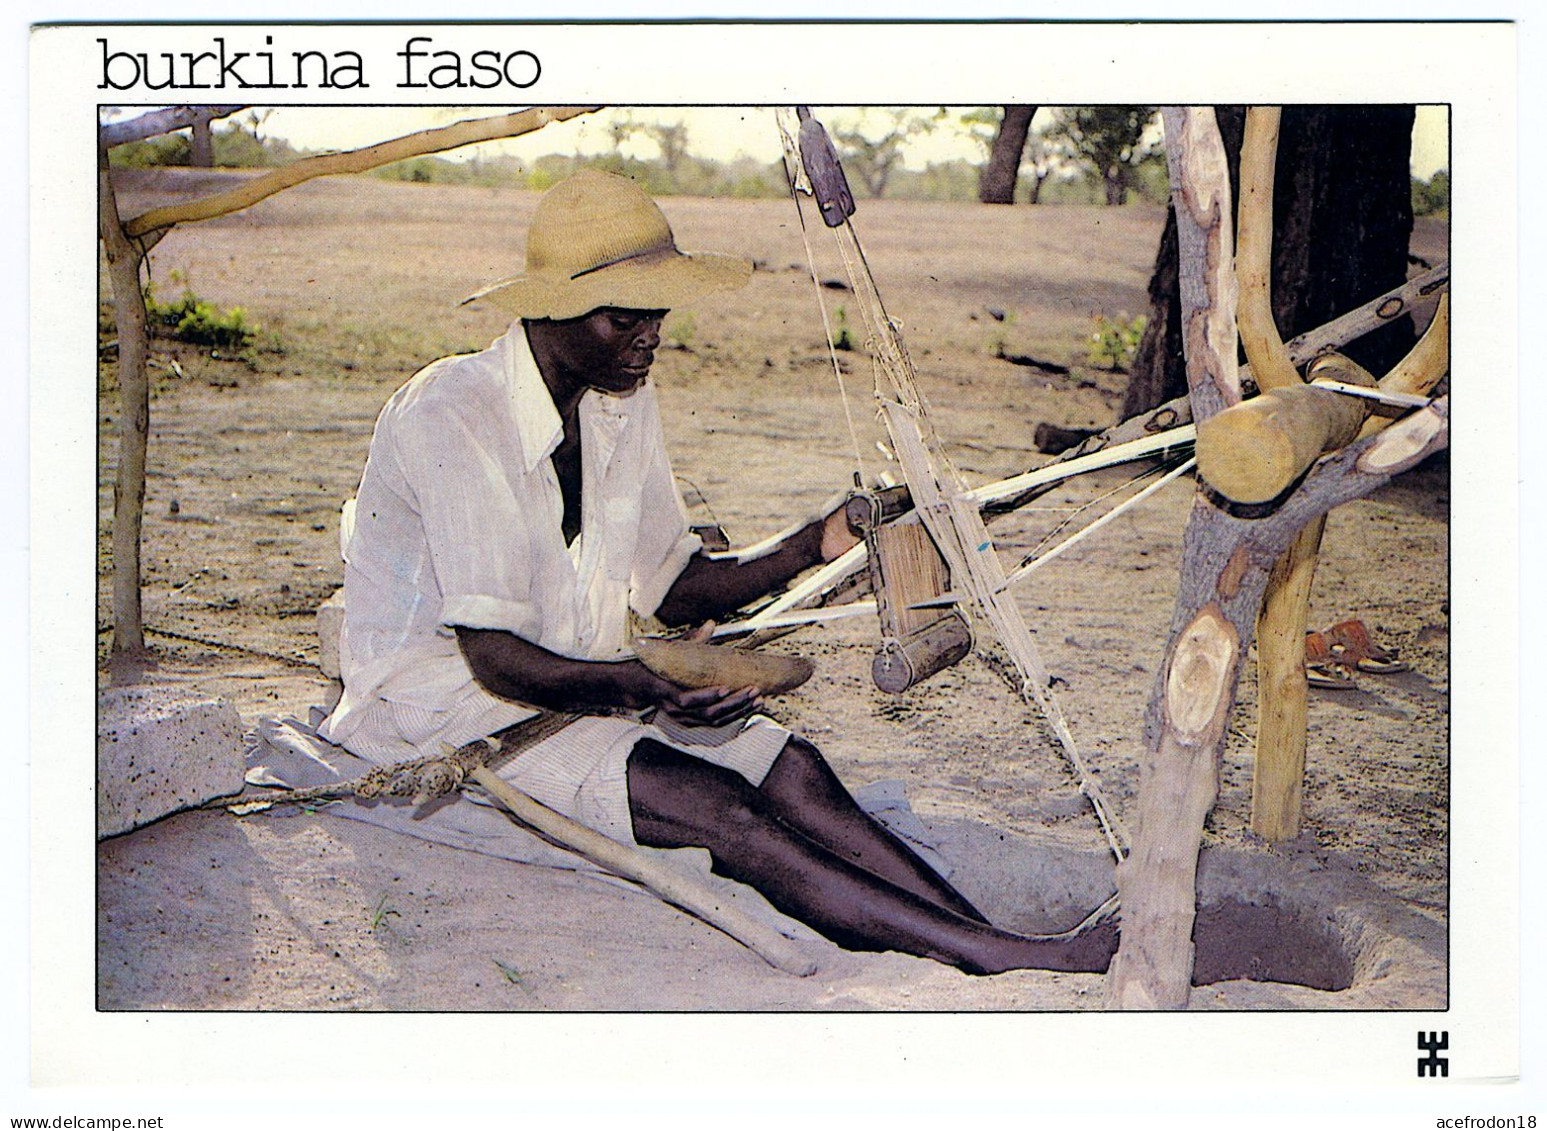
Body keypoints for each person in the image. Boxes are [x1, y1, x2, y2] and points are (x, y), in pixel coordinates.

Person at [320, 169, 1116, 976]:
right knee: (718, 804)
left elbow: (675, 585)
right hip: (444, 703)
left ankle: (987, 936)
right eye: (625, 315)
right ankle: (997, 957)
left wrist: (816, 541)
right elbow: (494, 659)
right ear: (549, 309)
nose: (650, 333)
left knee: (791, 767)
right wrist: (651, 690)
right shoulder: (452, 414)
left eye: (657, 309)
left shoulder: (615, 400)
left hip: (579, 680)